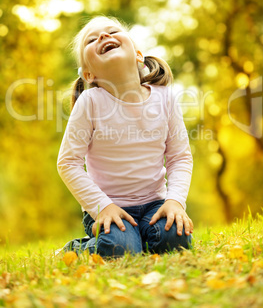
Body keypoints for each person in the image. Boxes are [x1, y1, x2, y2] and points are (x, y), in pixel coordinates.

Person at [57, 16, 194, 258]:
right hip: (108, 206)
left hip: (155, 204)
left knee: (177, 239)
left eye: (112, 31)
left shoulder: (166, 99)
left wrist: (175, 202)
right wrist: (102, 207)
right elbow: (68, 163)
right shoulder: (90, 103)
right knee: (121, 249)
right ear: (89, 75)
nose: (103, 36)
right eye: (92, 39)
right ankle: (77, 249)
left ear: (138, 55)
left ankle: (140, 235)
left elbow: (179, 158)